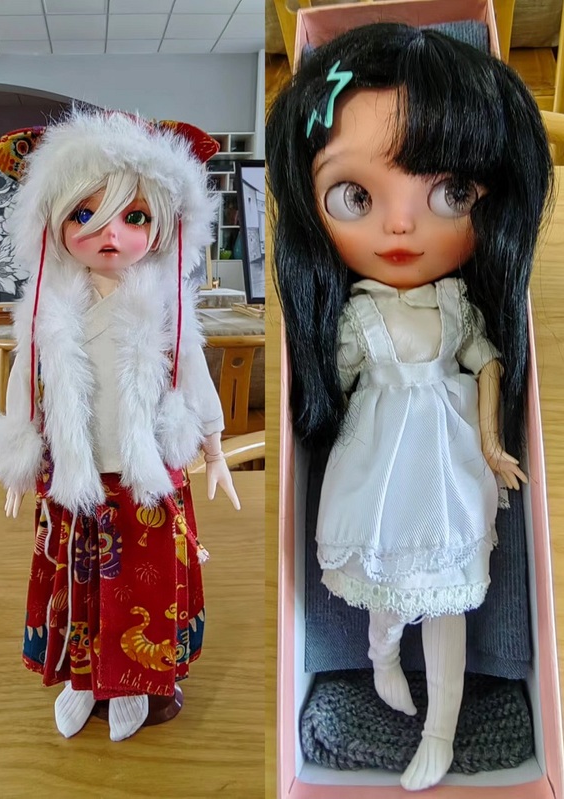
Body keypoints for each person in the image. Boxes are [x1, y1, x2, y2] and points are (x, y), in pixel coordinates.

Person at [267, 23, 552, 791]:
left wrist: (490, 443)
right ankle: (382, 656)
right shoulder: (356, 314)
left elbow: (488, 362)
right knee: (385, 586)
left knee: (449, 596)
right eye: (355, 195)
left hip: (449, 469)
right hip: (376, 467)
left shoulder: (458, 308)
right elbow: (333, 379)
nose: (399, 224)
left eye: (450, 192)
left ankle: (440, 729)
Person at [0, 109, 240, 742]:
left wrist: (214, 448)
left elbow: (191, 374)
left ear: (164, 225)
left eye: (135, 217)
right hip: (73, 473)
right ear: (52, 223)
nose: (110, 235)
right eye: (84, 214)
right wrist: (18, 455)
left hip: (145, 473)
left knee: (141, 589)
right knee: (75, 577)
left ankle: (135, 683)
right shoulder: (48, 310)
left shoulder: (164, 307)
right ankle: (81, 678)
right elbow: (27, 381)